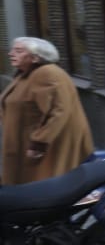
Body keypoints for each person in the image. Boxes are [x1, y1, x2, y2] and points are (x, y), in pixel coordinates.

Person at [2, 37, 93, 186]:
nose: (11, 54)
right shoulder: (26, 74)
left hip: (47, 144)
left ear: (35, 57)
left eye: (18, 51)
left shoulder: (47, 73)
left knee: (45, 185)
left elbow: (59, 110)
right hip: (26, 139)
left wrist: (39, 143)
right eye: (13, 50)